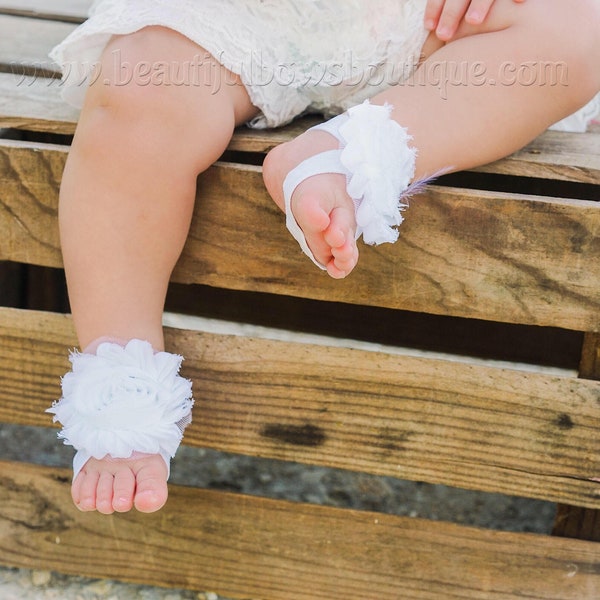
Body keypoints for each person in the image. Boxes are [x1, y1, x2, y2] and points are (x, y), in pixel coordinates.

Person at [47, 0, 600, 515]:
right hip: (232, 19)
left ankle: (352, 150)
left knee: (576, 33)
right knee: (140, 83)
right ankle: (120, 368)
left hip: (421, 21)